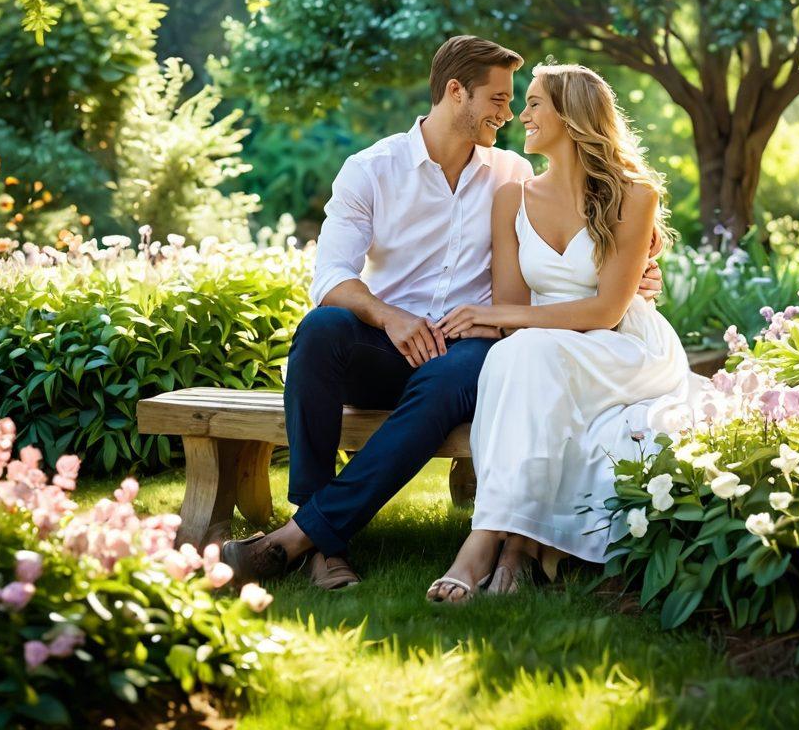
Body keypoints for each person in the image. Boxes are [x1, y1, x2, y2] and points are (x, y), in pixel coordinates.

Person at [222, 38, 664, 588]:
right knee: (320, 331)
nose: (508, 115)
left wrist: (638, 272)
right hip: (389, 342)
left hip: (470, 347)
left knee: (446, 377)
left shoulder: (510, 173)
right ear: (456, 93)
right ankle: (317, 538)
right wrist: (389, 317)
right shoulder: (372, 170)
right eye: (499, 100)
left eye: (516, 101)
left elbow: (580, 233)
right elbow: (331, 278)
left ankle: (302, 542)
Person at [426, 63, 703, 602]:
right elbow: (510, 306)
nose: (519, 116)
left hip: (622, 344)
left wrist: (497, 318)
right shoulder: (513, 197)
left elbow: (604, 311)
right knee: (520, 355)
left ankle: (483, 543)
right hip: (543, 346)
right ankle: (516, 546)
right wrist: (500, 317)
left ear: (571, 115)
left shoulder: (634, 194)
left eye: (533, 104)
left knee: (524, 350)